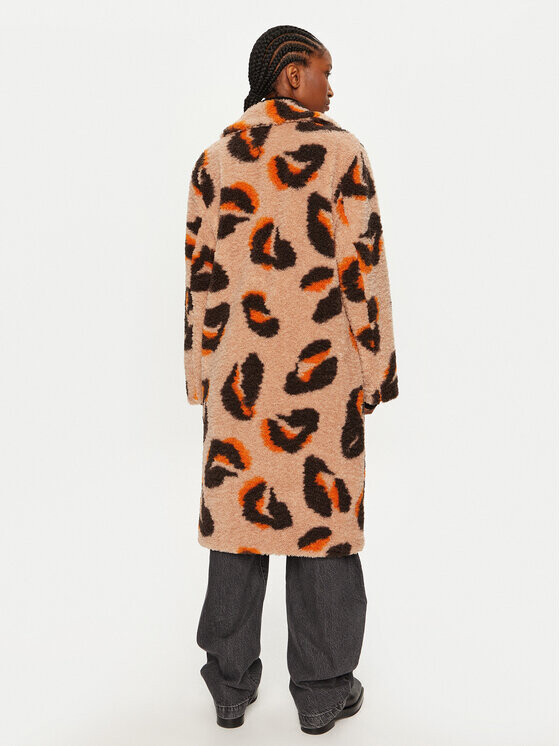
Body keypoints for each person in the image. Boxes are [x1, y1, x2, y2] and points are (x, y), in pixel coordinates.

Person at [184, 24, 399, 734]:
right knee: (323, 524)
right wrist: (377, 368)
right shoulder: (341, 153)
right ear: (289, 75)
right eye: (323, 72)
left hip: (238, 381)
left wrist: (199, 371)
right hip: (323, 378)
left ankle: (228, 687)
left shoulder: (216, 158)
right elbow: (364, 270)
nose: (331, 87)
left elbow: (199, 277)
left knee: (237, 523)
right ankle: (322, 691)